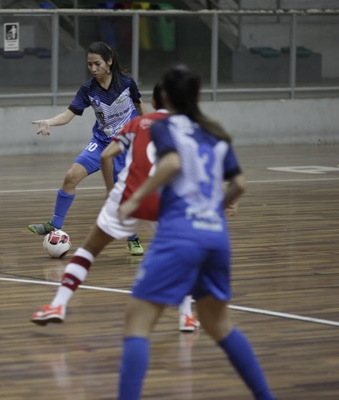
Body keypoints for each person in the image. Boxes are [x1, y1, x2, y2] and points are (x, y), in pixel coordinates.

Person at [116, 65, 275, 400]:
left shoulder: (166, 126)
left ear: (166, 97)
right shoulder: (215, 132)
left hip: (179, 236)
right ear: (198, 96)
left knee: (137, 326)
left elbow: (172, 164)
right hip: (216, 238)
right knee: (219, 326)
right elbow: (240, 185)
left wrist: (136, 200)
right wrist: (221, 206)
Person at [30, 82, 199, 332]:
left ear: (152, 102)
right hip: (160, 198)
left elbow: (107, 155)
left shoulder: (136, 124)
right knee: (181, 255)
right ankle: (186, 316)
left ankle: (58, 305)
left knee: (87, 251)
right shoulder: (184, 129)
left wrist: (111, 192)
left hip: (127, 195)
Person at [28, 41, 148, 256]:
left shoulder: (127, 84)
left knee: (123, 194)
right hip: (101, 142)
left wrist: (148, 130)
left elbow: (139, 106)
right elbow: (68, 115)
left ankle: (133, 237)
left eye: (97, 64)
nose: (93, 69)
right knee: (71, 176)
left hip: (123, 147)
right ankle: (55, 224)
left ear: (109, 62)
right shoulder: (88, 89)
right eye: (89, 64)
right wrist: (49, 122)